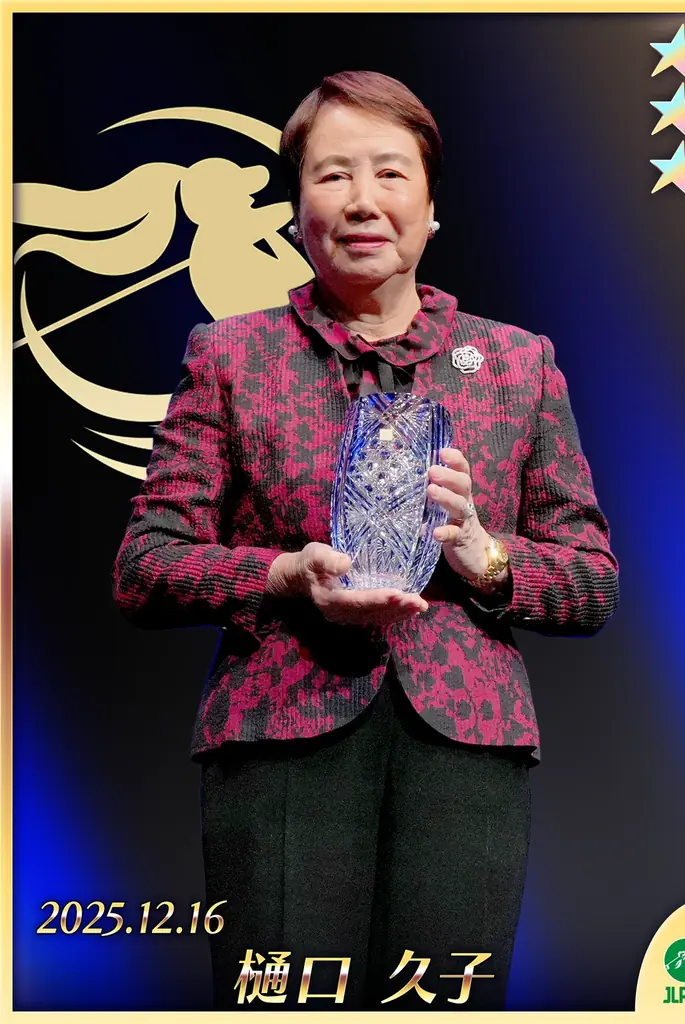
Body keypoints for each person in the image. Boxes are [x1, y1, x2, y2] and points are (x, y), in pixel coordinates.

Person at [112, 70, 619, 1012]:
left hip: (465, 749)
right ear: (296, 209)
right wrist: (282, 575)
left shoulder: (516, 364)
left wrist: (487, 555)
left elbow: (591, 580)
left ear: (431, 206)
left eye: (390, 172)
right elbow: (147, 565)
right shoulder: (232, 355)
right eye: (332, 174)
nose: (361, 200)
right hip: (279, 739)